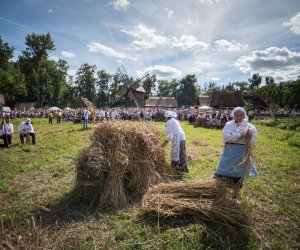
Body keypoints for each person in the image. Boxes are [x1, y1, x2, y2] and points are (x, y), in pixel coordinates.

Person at [214, 107, 258, 204]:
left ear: (244, 115)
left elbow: (253, 141)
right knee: (221, 172)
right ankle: (219, 193)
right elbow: (226, 137)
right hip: (229, 151)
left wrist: (249, 137)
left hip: (241, 153)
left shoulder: (249, 127)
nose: (239, 117)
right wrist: (240, 136)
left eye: (241, 115)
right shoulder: (229, 124)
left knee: (238, 175)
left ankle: (235, 196)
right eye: (237, 115)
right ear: (233, 116)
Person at [161, 111, 188, 175]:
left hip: (178, 138)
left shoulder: (168, 122)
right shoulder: (175, 120)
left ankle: (177, 170)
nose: (164, 118)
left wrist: (164, 143)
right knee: (181, 153)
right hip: (182, 137)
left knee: (177, 153)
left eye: (165, 116)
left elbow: (170, 134)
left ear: (167, 117)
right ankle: (183, 169)